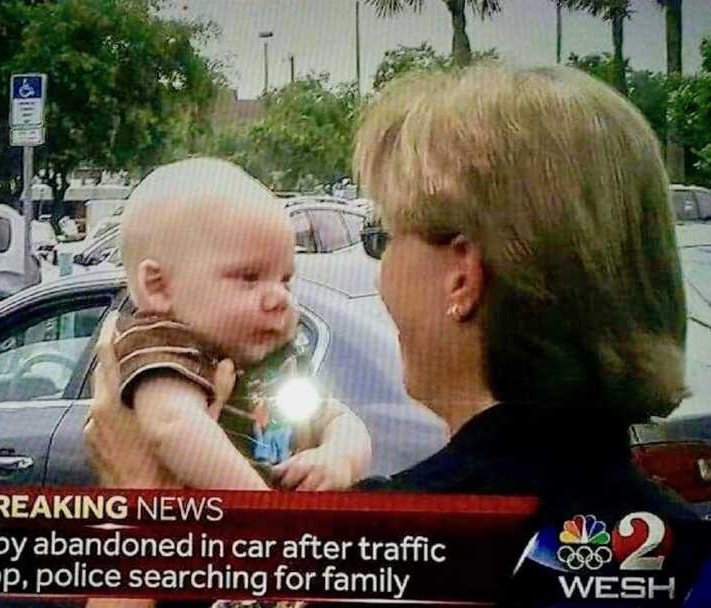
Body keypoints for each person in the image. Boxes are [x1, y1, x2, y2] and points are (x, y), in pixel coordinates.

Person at [352, 64, 702, 600]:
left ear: (462, 275)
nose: (381, 274)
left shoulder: (378, 557)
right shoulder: (690, 557)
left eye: (385, 235)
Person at [85, 157, 371, 495]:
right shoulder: (159, 342)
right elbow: (172, 426)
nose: (278, 297)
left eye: (285, 279)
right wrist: (264, 510)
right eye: (249, 277)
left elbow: (339, 418)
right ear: (158, 287)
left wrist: (338, 459)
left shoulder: (268, 357)